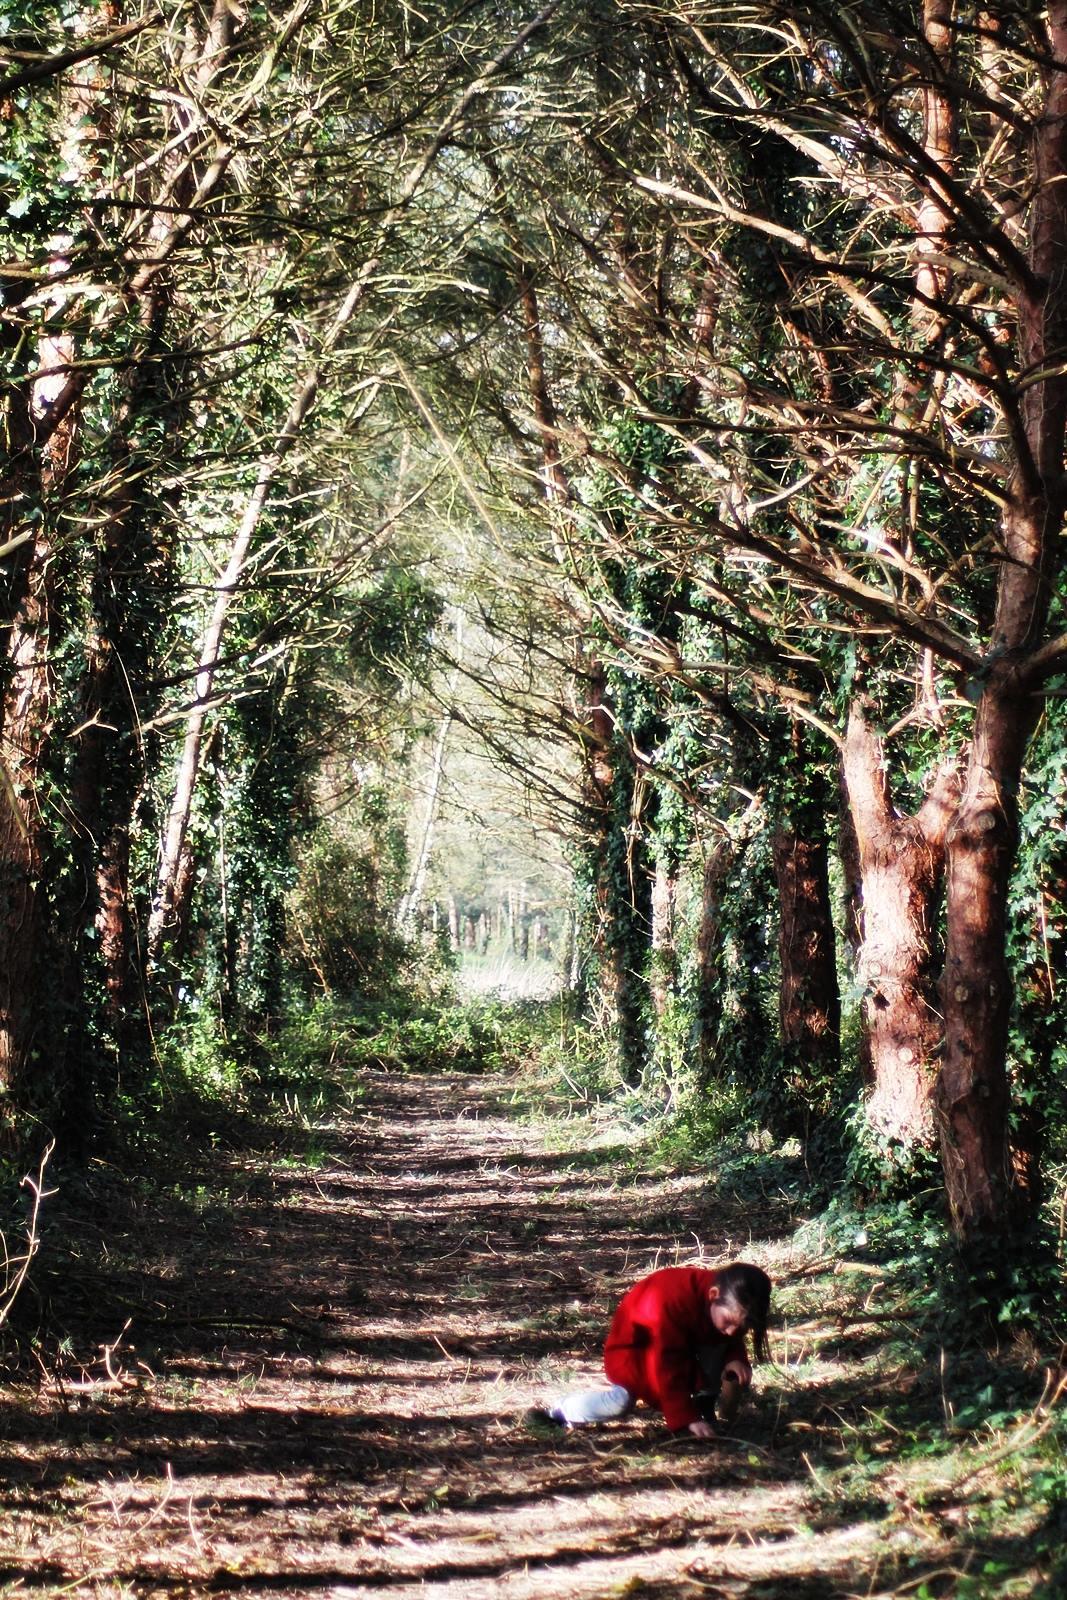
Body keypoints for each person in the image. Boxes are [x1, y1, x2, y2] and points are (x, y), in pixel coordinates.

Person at [529, 1261, 772, 1438]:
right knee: (620, 1402)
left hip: (685, 1347)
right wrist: (683, 1418)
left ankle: (705, 1405)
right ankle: (564, 1409)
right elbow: (666, 1364)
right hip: (637, 1351)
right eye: (729, 1322)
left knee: (720, 1347)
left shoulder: (726, 1304)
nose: (731, 1332)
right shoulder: (673, 1301)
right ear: (713, 1295)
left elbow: (728, 1336)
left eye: (739, 1328)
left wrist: (735, 1357)